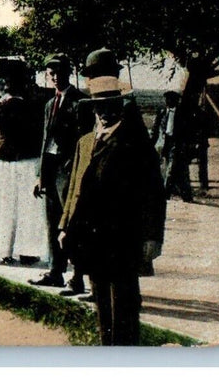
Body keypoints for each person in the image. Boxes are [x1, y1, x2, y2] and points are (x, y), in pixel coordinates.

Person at [59, 48, 166, 346]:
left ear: (121, 106)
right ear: (92, 107)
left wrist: (152, 237)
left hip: (124, 238)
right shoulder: (85, 142)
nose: (105, 113)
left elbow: (154, 193)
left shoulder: (134, 144)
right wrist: (65, 226)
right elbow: (74, 189)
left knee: (124, 307)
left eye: (111, 106)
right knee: (102, 308)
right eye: (99, 106)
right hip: (92, 238)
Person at [0, 61, 49, 264]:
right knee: (26, 208)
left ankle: (4, 249)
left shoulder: (1, 106)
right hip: (25, 158)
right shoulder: (30, 105)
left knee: (5, 206)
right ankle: (25, 250)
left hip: (5, 159)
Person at [31, 53, 89, 291]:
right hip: (51, 170)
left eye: (59, 72)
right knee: (52, 222)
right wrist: (39, 175)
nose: (55, 77)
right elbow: (45, 140)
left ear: (68, 73)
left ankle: (78, 276)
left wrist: (74, 169)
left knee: (71, 224)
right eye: (51, 73)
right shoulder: (48, 104)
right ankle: (56, 272)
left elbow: (83, 141)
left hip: (69, 171)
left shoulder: (80, 102)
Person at [152, 90, 194, 203]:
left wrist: (190, 146)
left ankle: (164, 195)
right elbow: (155, 130)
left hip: (179, 145)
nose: (168, 101)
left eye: (171, 99)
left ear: (176, 101)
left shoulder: (183, 113)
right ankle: (187, 196)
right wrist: (151, 144)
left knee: (171, 169)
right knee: (180, 172)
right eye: (167, 99)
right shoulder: (161, 112)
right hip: (167, 144)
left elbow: (190, 131)